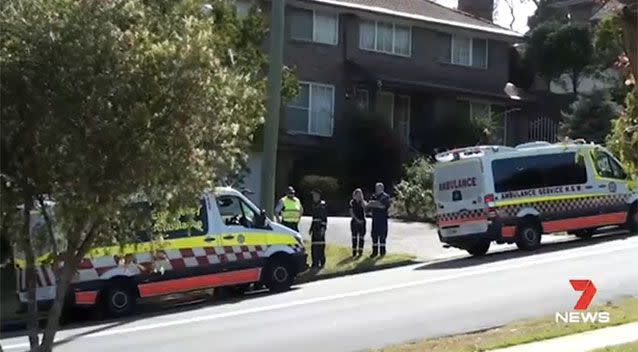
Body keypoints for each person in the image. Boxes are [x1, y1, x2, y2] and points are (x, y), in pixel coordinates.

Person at [367, 182, 391, 258]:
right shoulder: (374, 196)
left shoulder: (385, 197)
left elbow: (383, 206)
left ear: (382, 188)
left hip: (382, 220)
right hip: (375, 219)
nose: (377, 189)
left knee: (382, 236)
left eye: (379, 188)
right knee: (374, 235)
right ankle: (374, 252)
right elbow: (370, 205)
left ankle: (382, 252)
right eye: (376, 188)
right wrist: (376, 204)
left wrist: (376, 204)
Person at [309, 189, 327, 268]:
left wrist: (323, 228)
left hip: (320, 227)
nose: (313, 197)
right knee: (314, 246)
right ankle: (315, 262)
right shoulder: (314, 204)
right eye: (313, 195)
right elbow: (314, 218)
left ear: (318, 196)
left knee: (320, 246)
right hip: (315, 227)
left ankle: (321, 262)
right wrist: (311, 228)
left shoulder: (322, 205)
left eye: (315, 195)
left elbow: (324, 218)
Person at [349, 188, 367, 257]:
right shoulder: (352, 202)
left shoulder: (363, 202)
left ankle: (360, 252)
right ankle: (354, 252)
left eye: (360, 194)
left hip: (362, 221)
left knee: (361, 237)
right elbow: (351, 213)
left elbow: (365, 210)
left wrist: (363, 203)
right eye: (357, 194)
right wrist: (357, 220)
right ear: (354, 195)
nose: (359, 196)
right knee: (354, 237)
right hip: (355, 221)